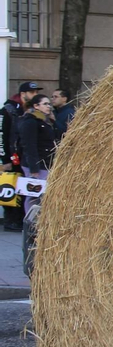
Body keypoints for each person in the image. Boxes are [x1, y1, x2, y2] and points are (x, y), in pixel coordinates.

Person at [0, 81, 41, 233]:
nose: (34, 95)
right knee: (10, 186)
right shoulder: (8, 110)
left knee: (24, 189)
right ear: (23, 94)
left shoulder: (29, 110)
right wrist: (5, 160)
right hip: (12, 158)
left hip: (24, 157)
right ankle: (11, 219)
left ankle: (20, 218)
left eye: (36, 93)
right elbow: (2, 136)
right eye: (32, 92)